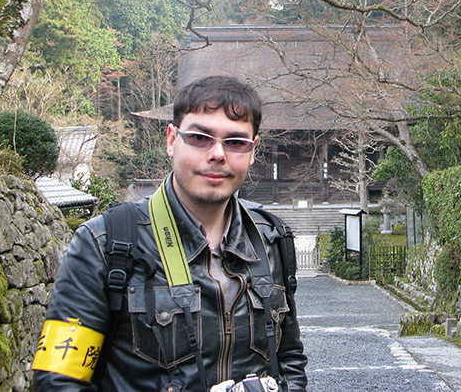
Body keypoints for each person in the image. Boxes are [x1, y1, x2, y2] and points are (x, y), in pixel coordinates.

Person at [32, 75, 307, 391]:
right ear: (171, 140)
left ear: (253, 150)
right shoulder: (106, 243)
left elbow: (289, 358)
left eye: (235, 142)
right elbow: (59, 379)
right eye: (200, 137)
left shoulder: (271, 238)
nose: (218, 154)